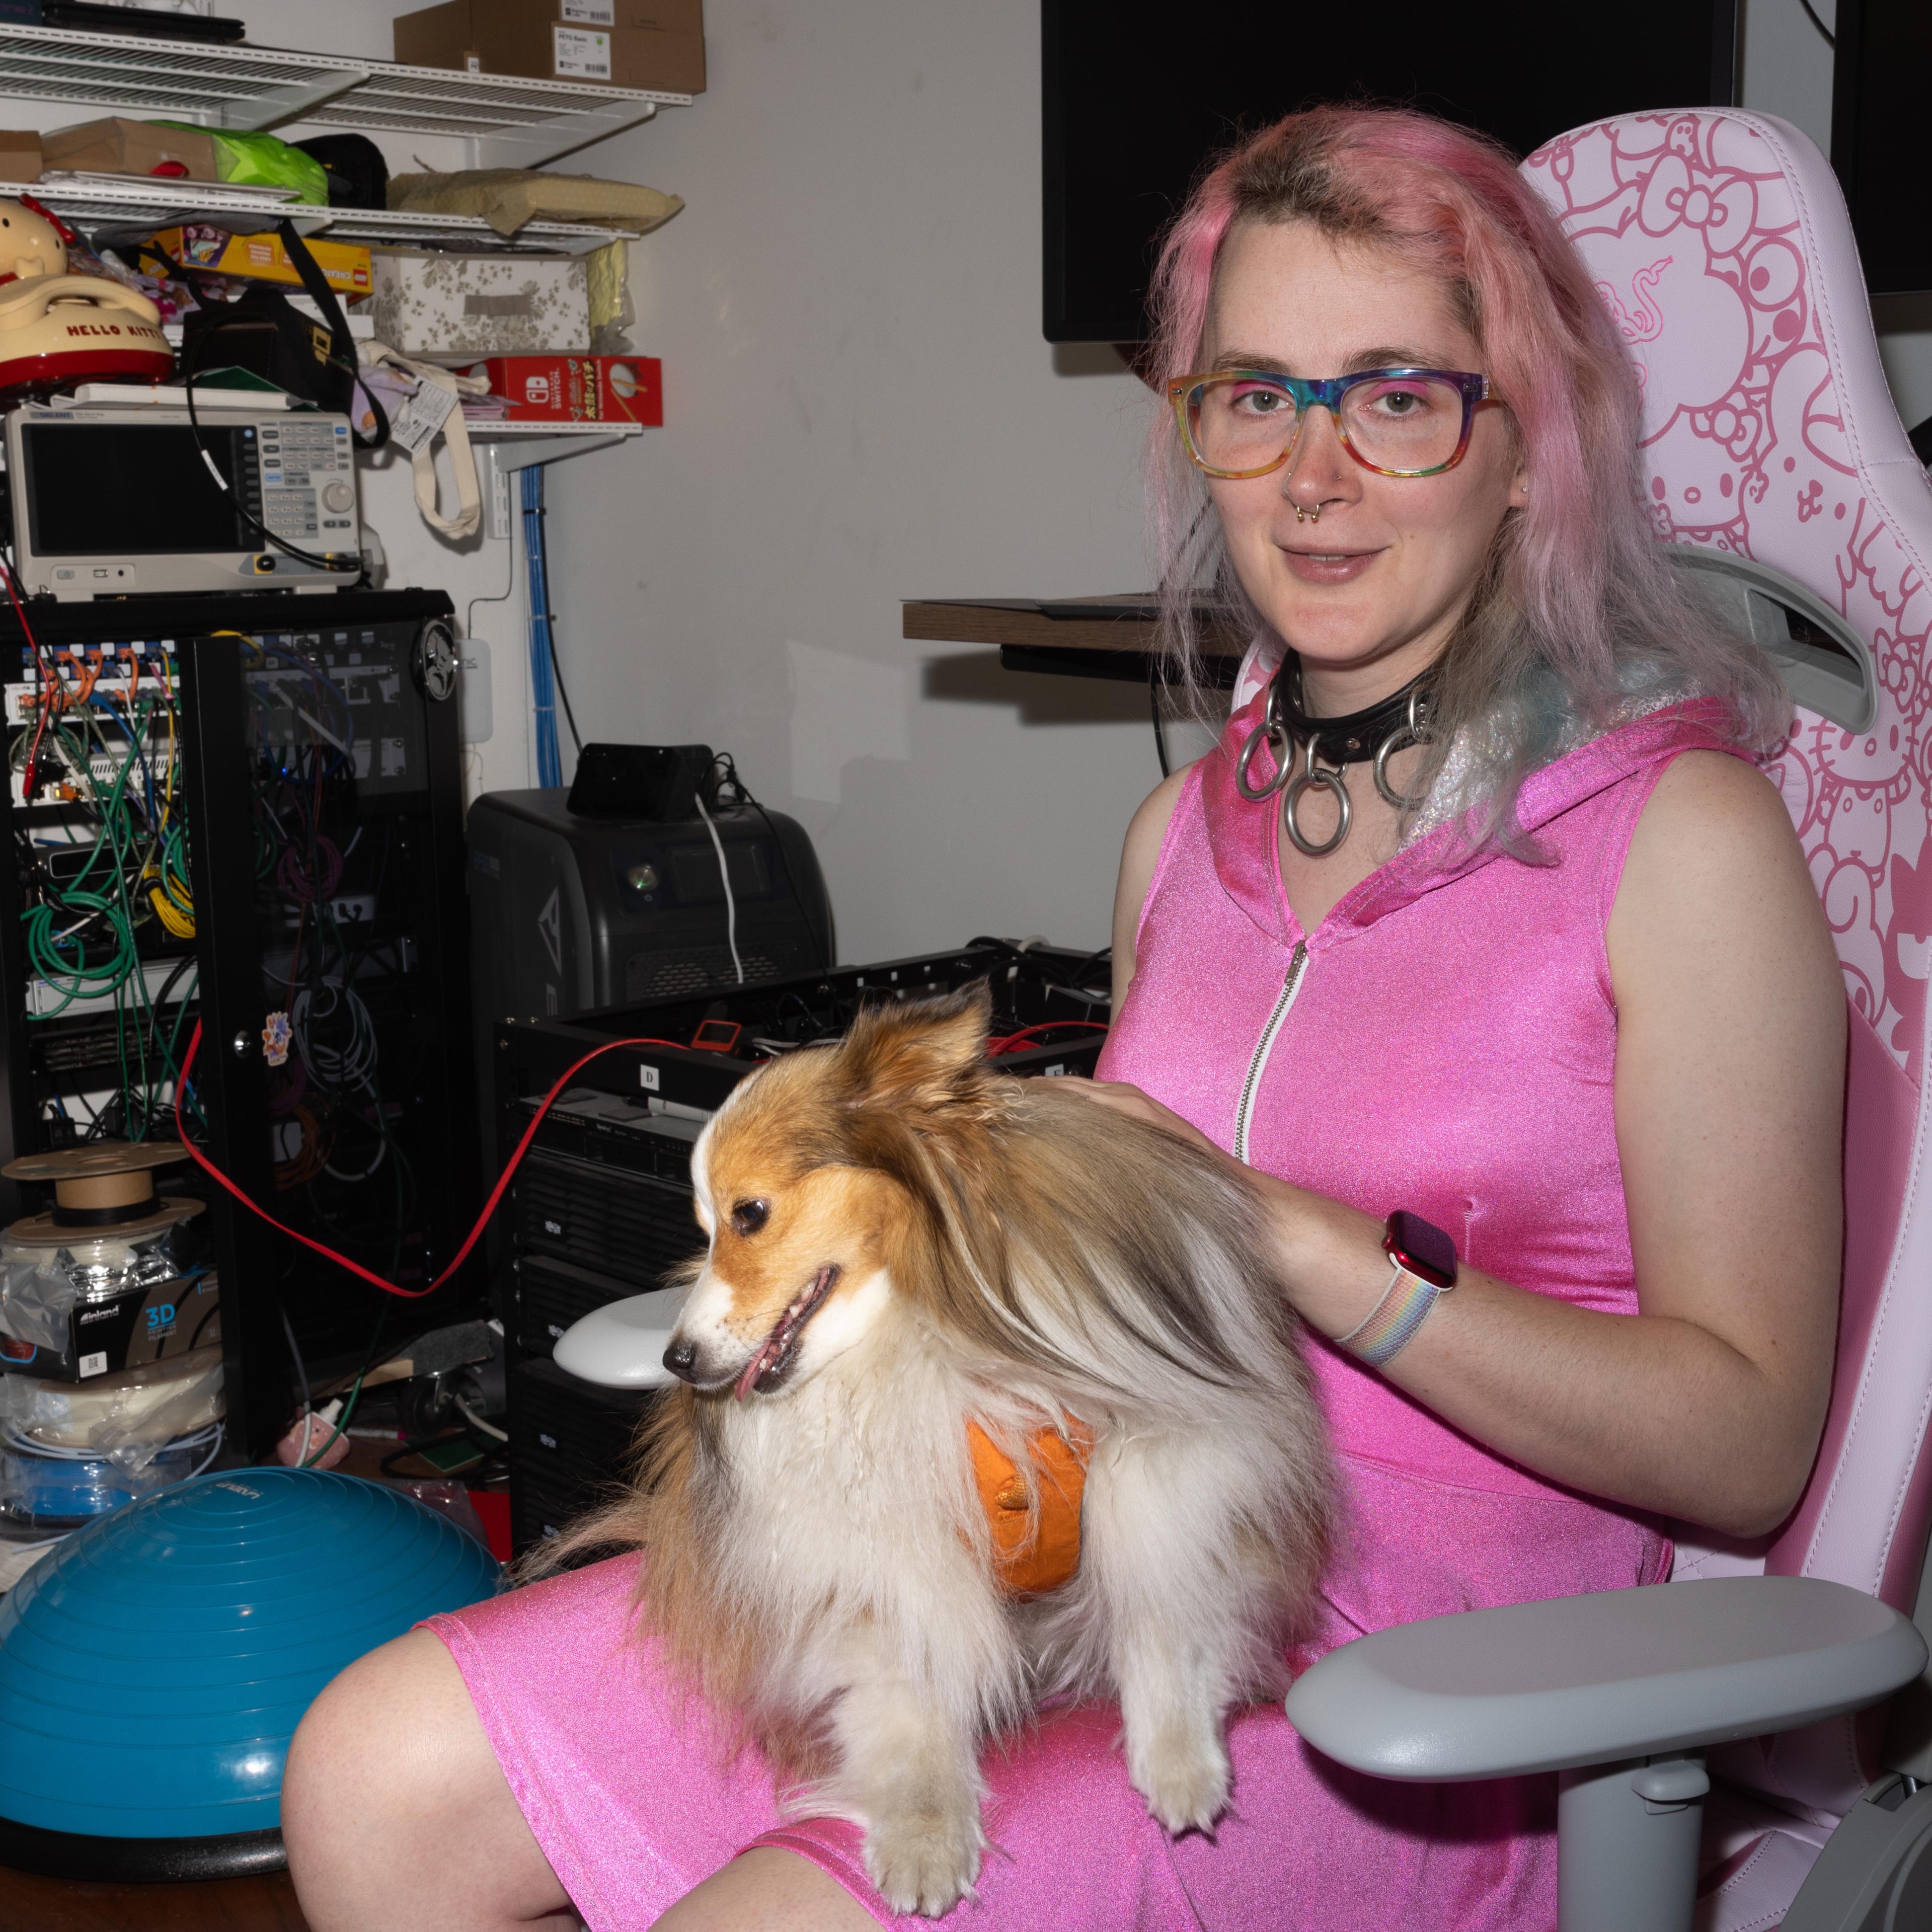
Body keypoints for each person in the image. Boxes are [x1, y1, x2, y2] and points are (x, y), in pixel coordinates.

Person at [281, 106, 1844, 1931]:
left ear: (1525, 448)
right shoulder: (1178, 840)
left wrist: (1305, 1251)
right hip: (1048, 1555)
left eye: (1397, 397)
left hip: (1433, 1683)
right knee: (372, 1774)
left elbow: (1746, 1445)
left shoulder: (1683, 841)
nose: (1313, 475)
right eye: (1254, 395)